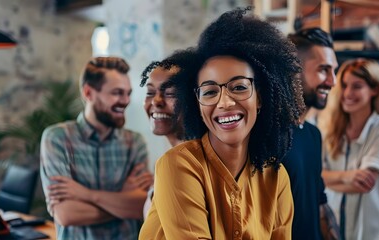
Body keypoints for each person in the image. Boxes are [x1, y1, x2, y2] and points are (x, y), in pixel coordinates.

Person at [139, 8, 305, 239]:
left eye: (239, 87)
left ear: (260, 98)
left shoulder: (276, 178)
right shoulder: (178, 165)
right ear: (196, 103)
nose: (224, 102)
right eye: (209, 92)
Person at [40, 57, 154, 240]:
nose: (125, 101)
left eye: (128, 93)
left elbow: (142, 206)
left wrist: (86, 195)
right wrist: (122, 202)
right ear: (88, 93)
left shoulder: (135, 142)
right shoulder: (57, 138)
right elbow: (66, 214)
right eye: (117, 93)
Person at [319, 58, 379, 240]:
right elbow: (315, 178)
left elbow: (363, 184)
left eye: (357, 86)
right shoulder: (327, 127)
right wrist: (348, 177)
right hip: (334, 228)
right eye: (344, 85)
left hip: (374, 232)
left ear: (375, 90)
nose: (347, 93)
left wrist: (328, 179)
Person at [286, 28, 340, 240]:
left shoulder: (313, 135)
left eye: (333, 70)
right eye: (323, 70)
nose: (333, 81)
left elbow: (319, 204)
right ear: (293, 71)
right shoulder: (267, 136)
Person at [139, 49, 195, 217]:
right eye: (150, 92)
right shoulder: (170, 159)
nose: (156, 101)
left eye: (170, 93)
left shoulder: (190, 163)